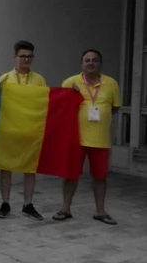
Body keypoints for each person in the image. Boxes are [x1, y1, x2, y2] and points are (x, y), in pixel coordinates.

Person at [54, 49, 120, 225]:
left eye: (95, 60)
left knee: (100, 176)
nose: (91, 63)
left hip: (100, 139)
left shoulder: (111, 83)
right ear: (82, 64)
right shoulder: (71, 82)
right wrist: (71, 94)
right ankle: (65, 209)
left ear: (100, 64)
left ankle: (100, 211)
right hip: (76, 139)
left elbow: (115, 107)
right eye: (87, 60)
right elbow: (62, 106)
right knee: (71, 175)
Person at [0, 40, 47, 221]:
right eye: (22, 56)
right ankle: (5, 203)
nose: (26, 60)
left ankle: (28, 204)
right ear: (15, 58)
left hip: (30, 131)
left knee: (30, 168)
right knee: (6, 167)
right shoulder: (4, 78)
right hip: (9, 130)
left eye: (29, 56)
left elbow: (44, 104)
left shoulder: (39, 79)